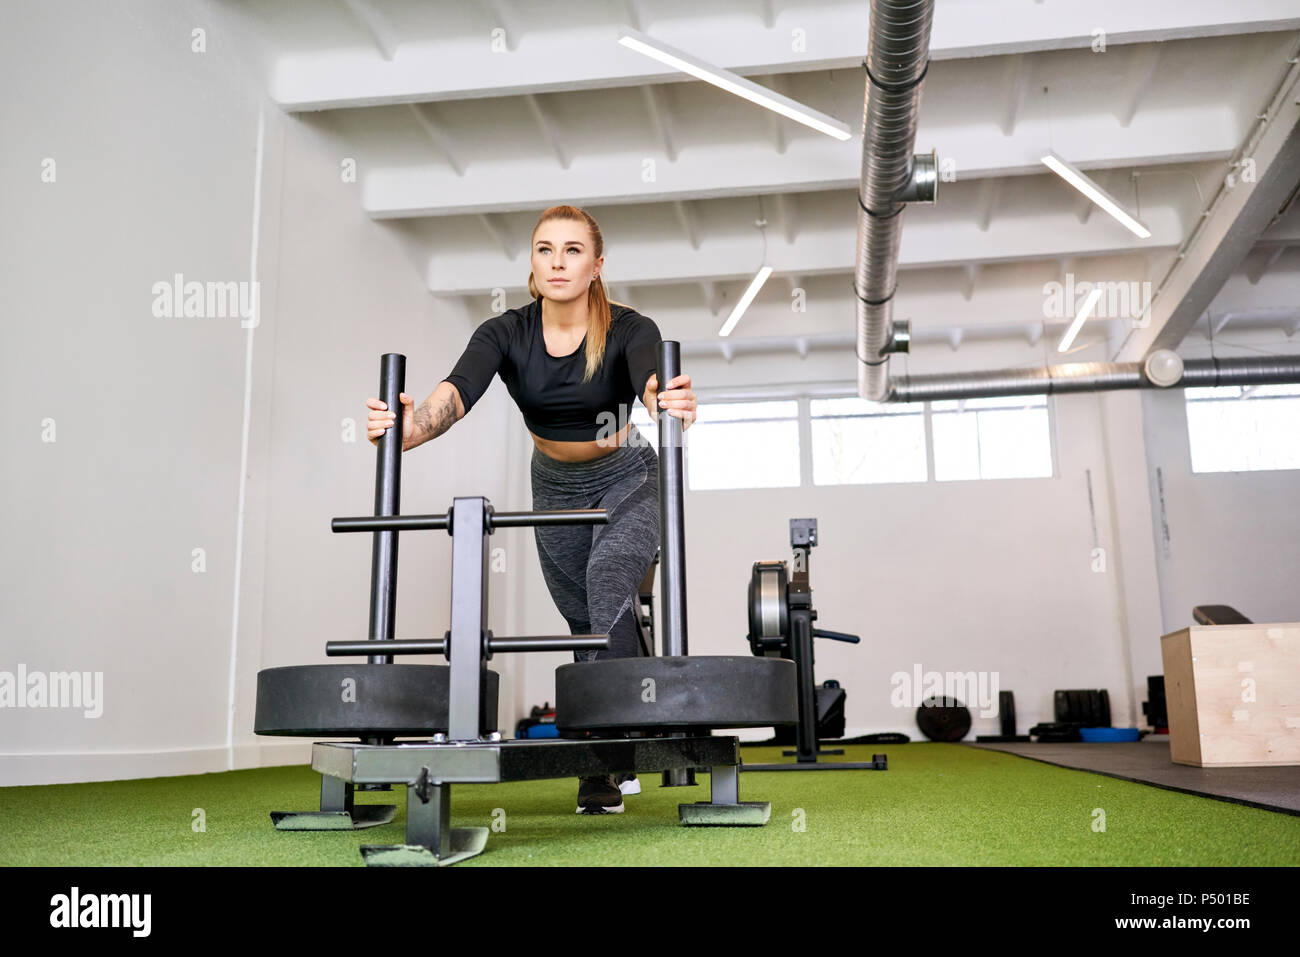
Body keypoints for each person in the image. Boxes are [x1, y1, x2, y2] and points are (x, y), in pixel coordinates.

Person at [366, 204, 697, 814]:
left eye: (573, 250)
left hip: (628, 473)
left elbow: (652, 384)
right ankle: (608, 752)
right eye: (545, 249)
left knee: (606, 581)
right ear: (532, 263)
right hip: (553, 486)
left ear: (597, 265)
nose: (558, 262)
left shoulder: (630, 328)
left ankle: (613, 748)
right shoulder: (505, 332)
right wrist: (406, 428)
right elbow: (454, 394)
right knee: (583, 620)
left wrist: (668, 398)